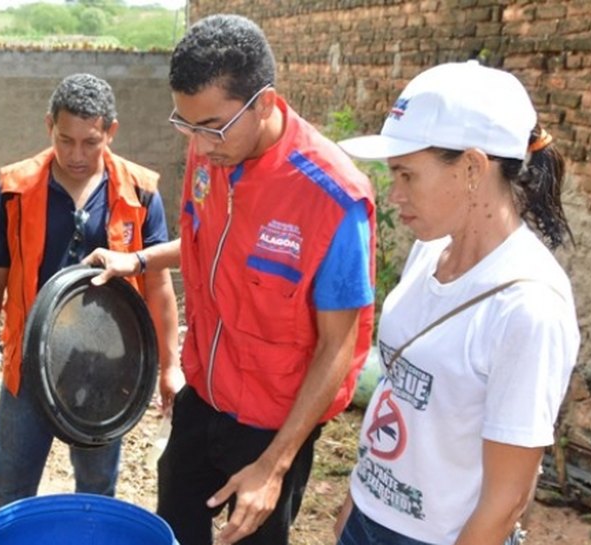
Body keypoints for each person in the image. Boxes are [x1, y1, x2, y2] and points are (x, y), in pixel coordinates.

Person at [84, 14, 376, 545]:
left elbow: (338, 345)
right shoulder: (215, 148)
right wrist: (140, 261)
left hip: (274, 424)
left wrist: (274, 465)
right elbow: (210, 245)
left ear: (264, 103)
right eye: (186, 125)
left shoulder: (332, 198)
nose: (199, 144)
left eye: (212, 127)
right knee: (174, 527)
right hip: (205, 394)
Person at [333, 60, 580, 545]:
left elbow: (507, 499)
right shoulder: (429, 251)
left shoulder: (528, 306)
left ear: (472, 168)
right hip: (369, 518)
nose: (394, 195)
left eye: (407, 175)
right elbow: (397, 394)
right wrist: (356, 504)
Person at [0, 73, 181, 518]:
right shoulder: (15, 191)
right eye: (65, 140)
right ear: (49, 127)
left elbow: (157, 285)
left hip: (108, 370)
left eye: (90, 142)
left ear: (111, 132)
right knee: (9, 487)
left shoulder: (139, 193)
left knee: (97, 490)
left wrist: (169, 365)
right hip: (29, 365)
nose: (76, 155)